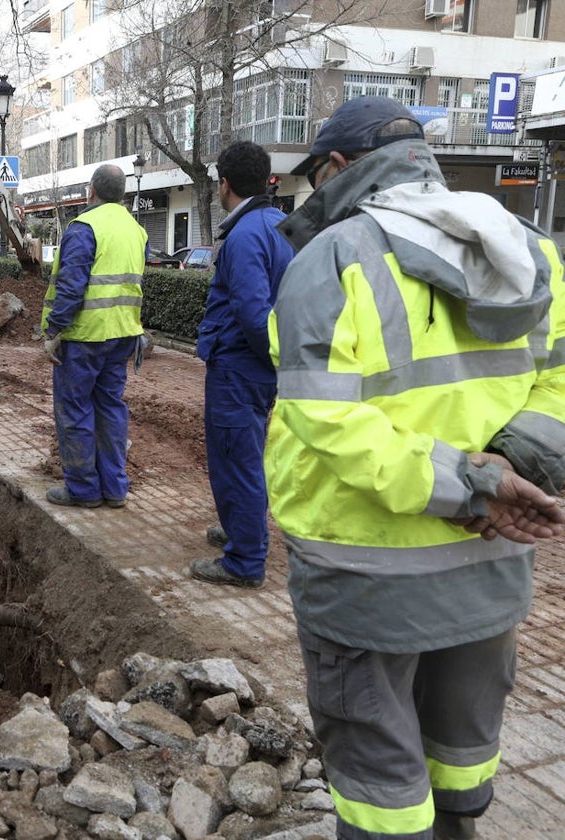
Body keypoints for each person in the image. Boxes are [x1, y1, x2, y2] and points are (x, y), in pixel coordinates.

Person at [268, 96, 565, 840]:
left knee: (378, 774)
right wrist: (506, 468)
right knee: (460, 750)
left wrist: (472, 485)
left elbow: (327, 416)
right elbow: (556, 383)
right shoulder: (531, 252)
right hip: (490, 562)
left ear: (337, 168)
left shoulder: (332, 261)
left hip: (364, 574)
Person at [190, 140, 294, 589]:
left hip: (240, 367)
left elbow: (254, 315)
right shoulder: (282, 224)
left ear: (224, 185)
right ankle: (238, 531)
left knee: (238, 460)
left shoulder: (246, 235)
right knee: (243, 456)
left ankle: (245, 560)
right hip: (260, 368)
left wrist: (269, 358)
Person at [40, 163, 147, 509]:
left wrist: (54, 329)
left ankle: (83, 489)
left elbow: (71, 287)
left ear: (91, 191)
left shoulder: (84, 227)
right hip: (123, 334)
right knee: (110, 409)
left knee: (74, 410)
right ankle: (115, 488)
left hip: (84, 336)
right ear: (123, 195)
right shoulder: (135, 230)